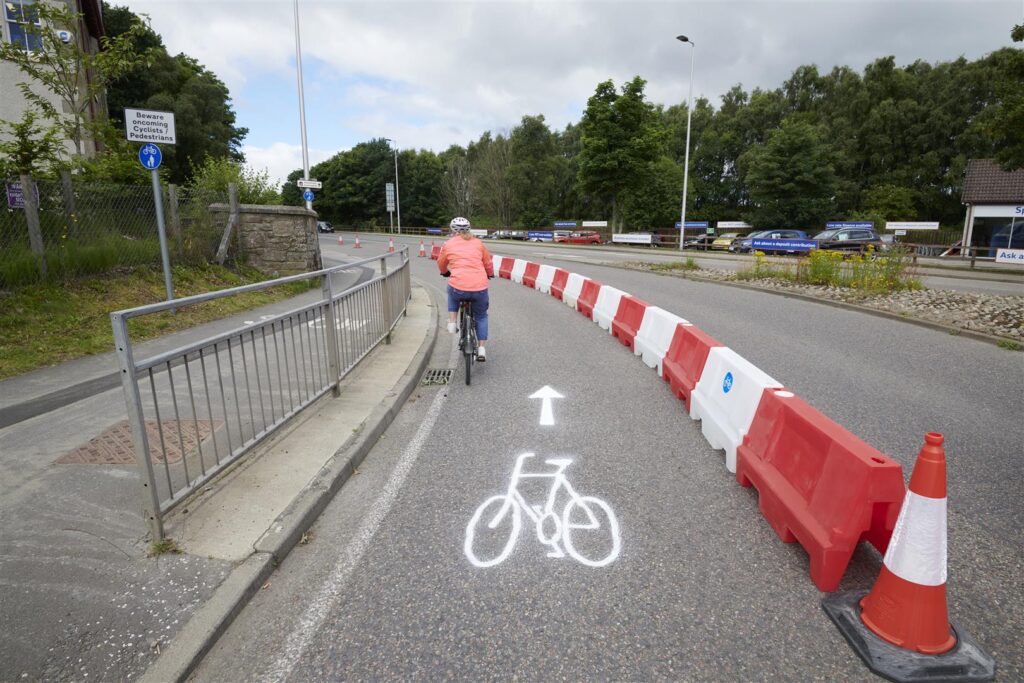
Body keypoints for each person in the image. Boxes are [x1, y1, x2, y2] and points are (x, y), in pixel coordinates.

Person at [438, 217, 494, 361]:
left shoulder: (448, 244)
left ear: (452, 229)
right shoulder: (478, 243)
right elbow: (487, 262)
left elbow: (442, 262)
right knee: (481, 316)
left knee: (451, 291)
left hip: (459, 287)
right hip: (479, 287)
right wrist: (490, 274)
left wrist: (445, 272)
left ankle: (452, 322)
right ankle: (481, 349)